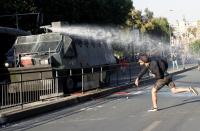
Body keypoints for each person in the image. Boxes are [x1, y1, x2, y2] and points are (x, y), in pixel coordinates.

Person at [134, 53, 198, 112]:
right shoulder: (149, 64)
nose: (139, 61)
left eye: (140, 60)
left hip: (163, 78)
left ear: (144, 61)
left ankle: (155, 107)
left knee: (153, 91)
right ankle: (189, 89)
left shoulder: (153, 65)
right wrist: (138, 78)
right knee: (174, 90)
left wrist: (154, 76)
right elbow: (143, 71)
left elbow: (159, 76)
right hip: (167, 76)